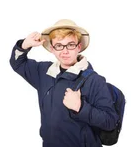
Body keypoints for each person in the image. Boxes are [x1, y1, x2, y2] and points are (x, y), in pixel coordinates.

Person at [9, 19, 118, 147]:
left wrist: (80, 107)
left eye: (70, 45)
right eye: (59, 46)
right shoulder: (44, 72)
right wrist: (24, 45)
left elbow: (110, 121)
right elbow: (17, 63)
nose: (65, 51)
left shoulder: (94, 80)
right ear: (52, 49)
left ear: (79, 47)